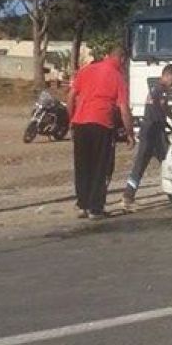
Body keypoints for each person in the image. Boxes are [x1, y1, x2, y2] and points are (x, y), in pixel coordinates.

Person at [67, 45, 134, 220]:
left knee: (82, 165)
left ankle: (82, 204)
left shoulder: (86, 70)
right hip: (102, 123)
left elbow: (70, 96)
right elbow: (124, 108)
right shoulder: (118, 77)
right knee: (101, 167)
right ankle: (95, 208)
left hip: (80, 122)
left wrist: (71, 119)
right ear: (121, 59)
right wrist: (130, 133)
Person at [122, 64, 172, 209]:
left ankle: (128, 196)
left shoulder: (154, 89)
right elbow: (164, 108)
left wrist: (170, 126)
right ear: (167, 76)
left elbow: (159, 110)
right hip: (155, 133)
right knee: (167, 162)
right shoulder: (162, 90)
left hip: (148, 131)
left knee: (140, 165)